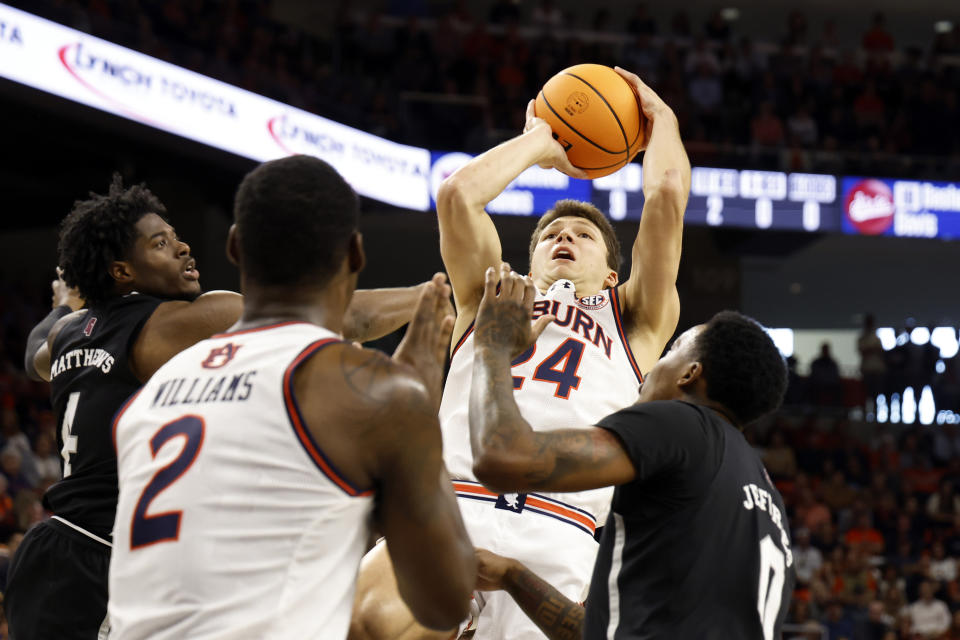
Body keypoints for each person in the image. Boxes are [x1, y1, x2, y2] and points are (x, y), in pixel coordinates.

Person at [7, 175, 430, 639]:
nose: (183, 247)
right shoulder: (178, 323)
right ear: (123, 271)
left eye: (175, 237)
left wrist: (64, 305)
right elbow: (342, 316)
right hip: (100, 554)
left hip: (57, 546)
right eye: (160, 244)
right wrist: (433, 296)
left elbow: (32, 357)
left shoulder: (68, 333)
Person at [350, 67, 690, 639]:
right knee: (368, 622)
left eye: (582, 235)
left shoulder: (634, 321)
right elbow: (458, 196)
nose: (564, 237)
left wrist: (663, 121)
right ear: (528, 261)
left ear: (612, 273)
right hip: (452, 504)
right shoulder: (488, 297)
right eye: (552, 234)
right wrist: (542, 140)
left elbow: (666, 198)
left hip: (562, 532)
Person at [108, 156, 475, 639]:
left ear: (235, 246)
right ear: (356, 254)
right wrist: (417, 410)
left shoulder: (149, 396)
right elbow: (444, 602)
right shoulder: (363, 388)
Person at [466, 267, 794, 640]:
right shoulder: (766, 498)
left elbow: (501, 457)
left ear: (689, 375)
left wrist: (491, 346)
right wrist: (512, 575)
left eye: (671, 352)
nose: (652, 367)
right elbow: (598, 634)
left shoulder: (682, 424)